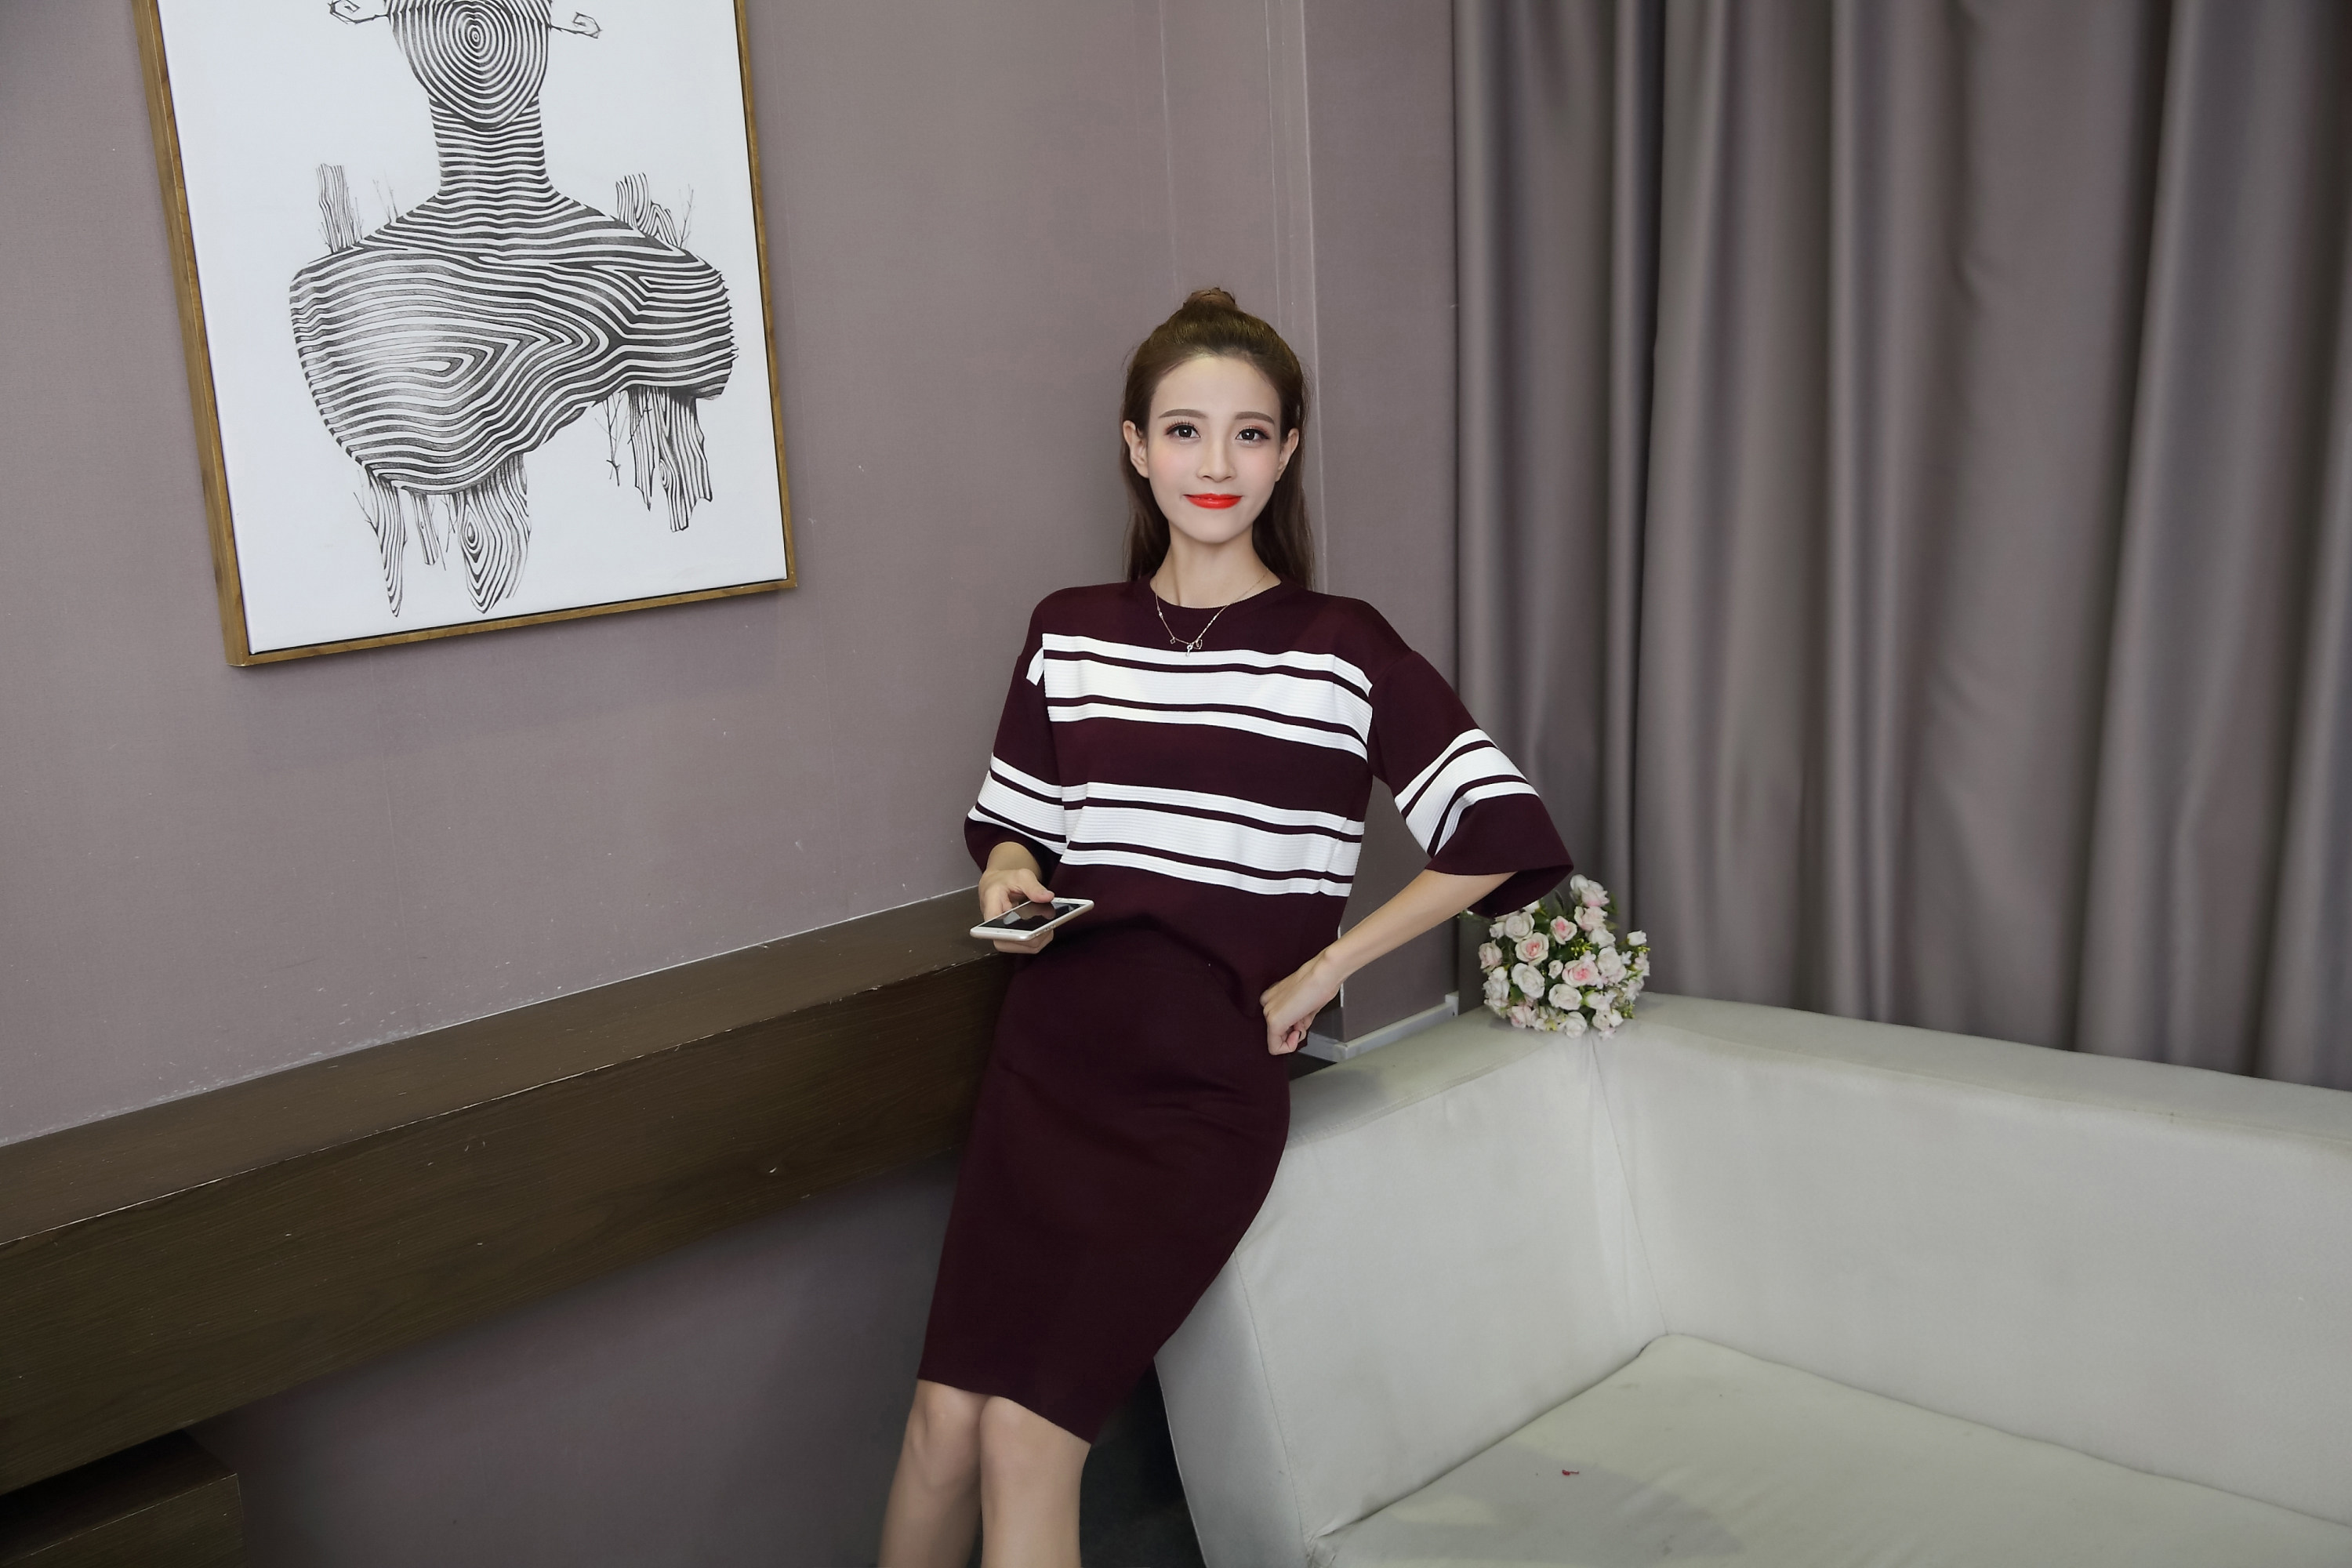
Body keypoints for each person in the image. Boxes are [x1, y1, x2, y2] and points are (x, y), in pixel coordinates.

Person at [877, 289, 1571, 1567]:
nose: (1216, 463)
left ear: (1287, 452)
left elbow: (1500, 831)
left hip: (1200, 1091)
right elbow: (1015, 827)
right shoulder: (1068, 629)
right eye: (1185, 431)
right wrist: (1009, 882)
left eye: (1249, 434)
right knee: (945, 1425)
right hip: (1048, 1059)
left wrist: (1328, 966)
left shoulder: (1341, 648)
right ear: (1136, 446)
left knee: (1029, 1435)